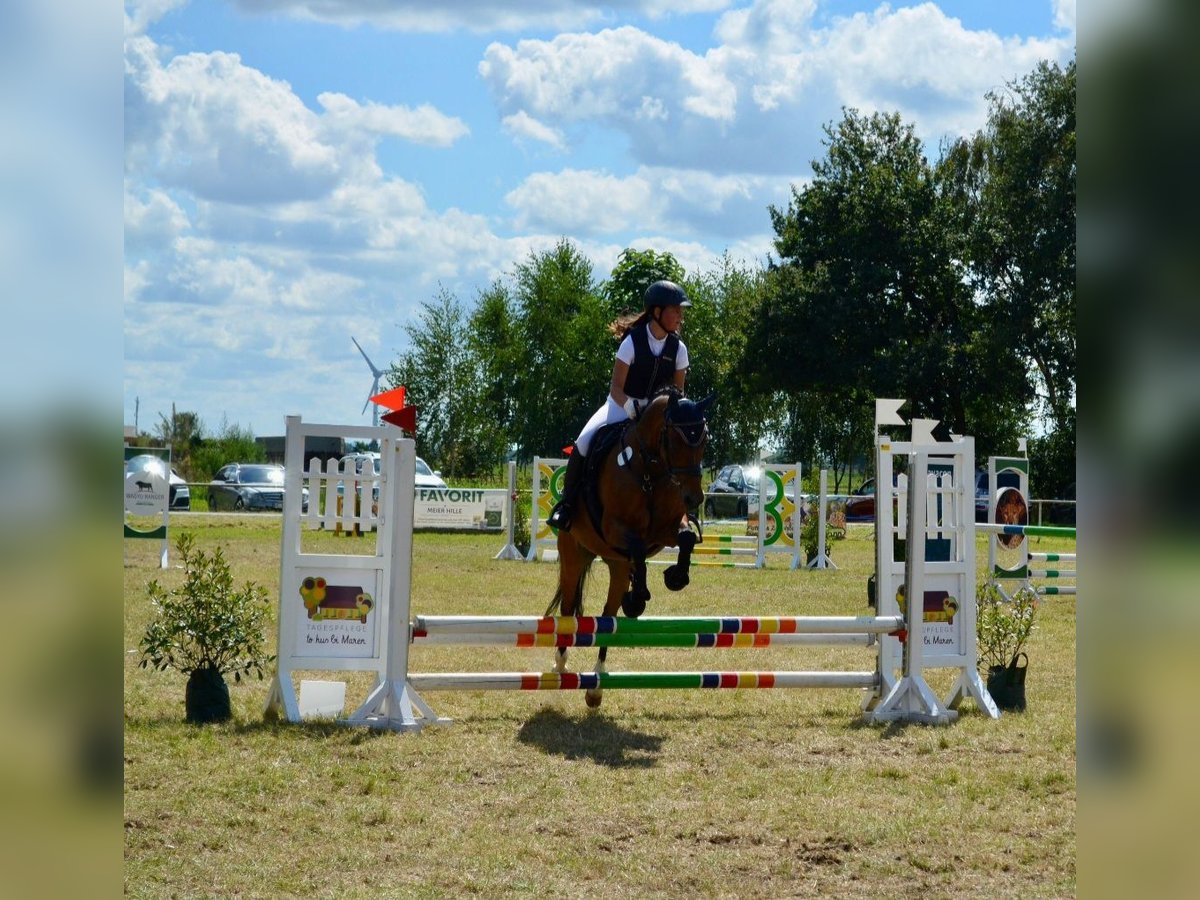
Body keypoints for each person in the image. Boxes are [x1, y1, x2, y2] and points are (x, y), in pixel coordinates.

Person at [547, 279, 691, 532]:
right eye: (675, 310)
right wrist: (629, 407)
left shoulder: (679, 349)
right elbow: (616, 387)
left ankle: (685, 512)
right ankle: (566, 507)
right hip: (620, 405)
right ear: (657, 312)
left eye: (681, 311)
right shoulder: (632, 343)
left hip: (657, 416)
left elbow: (678, 393)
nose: (680, 316)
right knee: (583, 441)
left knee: (683, 447)